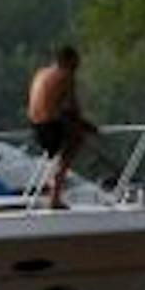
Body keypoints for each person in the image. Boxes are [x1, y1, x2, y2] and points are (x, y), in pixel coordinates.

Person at [26, 46, 93, 210]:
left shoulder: (42, 73)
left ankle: (51, 181)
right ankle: (54, 197)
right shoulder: (65, 76)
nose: (78, 67)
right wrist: (86, 126)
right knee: (75, 143)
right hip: (50, 125)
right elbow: (72, 107)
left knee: (66, 143)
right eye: (76, 63)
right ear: (69, 61)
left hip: (35, 126)